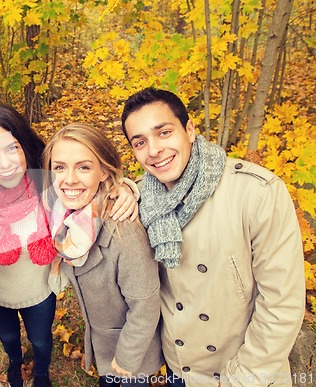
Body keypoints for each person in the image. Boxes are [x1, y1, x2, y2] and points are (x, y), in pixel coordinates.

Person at [121, 87, 306, 387]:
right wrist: (124, 187)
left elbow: (281, 304)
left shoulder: (256, 192)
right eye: (140, 142)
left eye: (164, 132)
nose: (153, 150)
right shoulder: (142, 200)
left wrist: (243, 378)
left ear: (190, 130)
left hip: (242, 373)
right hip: (180, 370)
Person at [0, 103, 139, 387]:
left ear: (24, 146)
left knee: (41, 339)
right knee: (9, 338)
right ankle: (15, 362)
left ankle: (42, 371)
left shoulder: (48, 185)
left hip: (39, 292)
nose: (5, 162)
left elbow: (89, 187)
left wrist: (126, 189)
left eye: (12, 148)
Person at [42, 123, 163, 387]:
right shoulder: (64, 217)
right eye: (59, 167)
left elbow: (145, 306)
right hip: (103, 345)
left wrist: (128, 359)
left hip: (132, 352)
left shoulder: (123, 232)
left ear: (103, 172)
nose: (70, 179)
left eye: (84, 167)